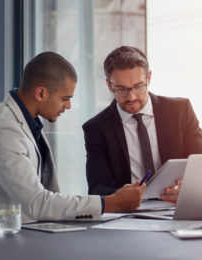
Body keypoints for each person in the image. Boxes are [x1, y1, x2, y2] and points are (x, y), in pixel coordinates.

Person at [0, 51, 145, 231]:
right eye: (65, 98)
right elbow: (37, 202)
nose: (68, 106)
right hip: (1, 240)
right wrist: (110, 203)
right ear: (41, 93)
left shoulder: (27, 123)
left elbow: (47, 197)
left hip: (31, 230)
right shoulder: (2, 131)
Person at [82, 46, 202, 203]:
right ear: (109, 85)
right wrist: (121, 197)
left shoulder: (180, 111)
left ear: (149, 78)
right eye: (121, 89)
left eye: (138, 87)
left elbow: (199, 163)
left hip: (178, 206)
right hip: (130, 213)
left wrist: (189, 189)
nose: (131, 97)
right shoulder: (96, 128)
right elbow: (98, 188)